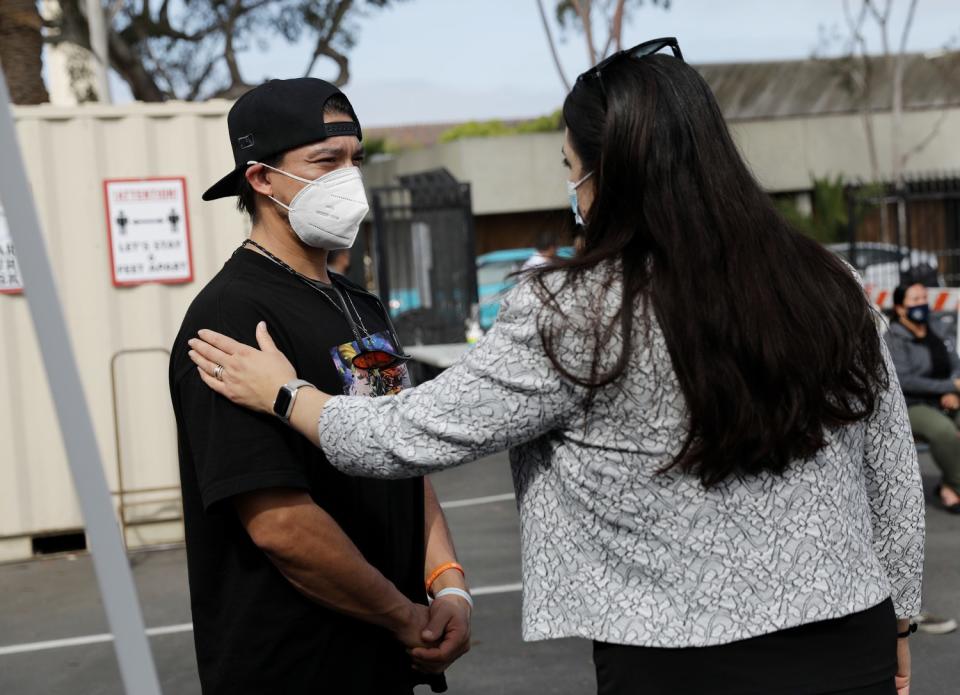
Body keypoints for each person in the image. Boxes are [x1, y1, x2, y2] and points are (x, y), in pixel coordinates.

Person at [187, 39, 924, 695]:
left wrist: (287, 395)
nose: (573, 192)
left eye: (572, 168)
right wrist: (899, 621)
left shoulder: (572, 309)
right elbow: (890, 466)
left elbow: (405, 435)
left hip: (681, 657)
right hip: (850, 633)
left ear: (615, 173)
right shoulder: (830, 282)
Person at [170, 78, 470, 695]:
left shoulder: (360, 304)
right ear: (260, 179)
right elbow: (280, 522)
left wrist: (449, 585)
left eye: (355, 159)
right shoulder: (230, 316)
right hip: (295, 666)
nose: (348, 178)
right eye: (325, 162)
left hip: (390, 659)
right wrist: (403, 615)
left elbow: (402, 458)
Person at [886, 282, 960, 513]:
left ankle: (948, 484)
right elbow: (905, 380)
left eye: (924, 298)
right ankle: (956, 486)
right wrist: (946, 387)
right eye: (915, 300)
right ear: (900, 308)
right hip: (913, 403)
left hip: (945, 397)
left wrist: (952, 390)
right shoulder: (893, 339)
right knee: (944, 431)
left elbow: (954, 364)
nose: (922, 304)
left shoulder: (935, 329)